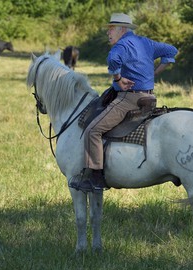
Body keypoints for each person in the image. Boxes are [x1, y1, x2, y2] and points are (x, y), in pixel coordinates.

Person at [70, 13, 178, 193]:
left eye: (111, 29)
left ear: (122, 29)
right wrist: (156, 71)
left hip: (129, 99)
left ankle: (96, 179)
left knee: (93, 130)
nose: (108, 33)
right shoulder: (147, 43)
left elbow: (113, 60)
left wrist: (118, 78)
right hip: (149, 98)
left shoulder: (121, 46)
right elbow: (171, 50)